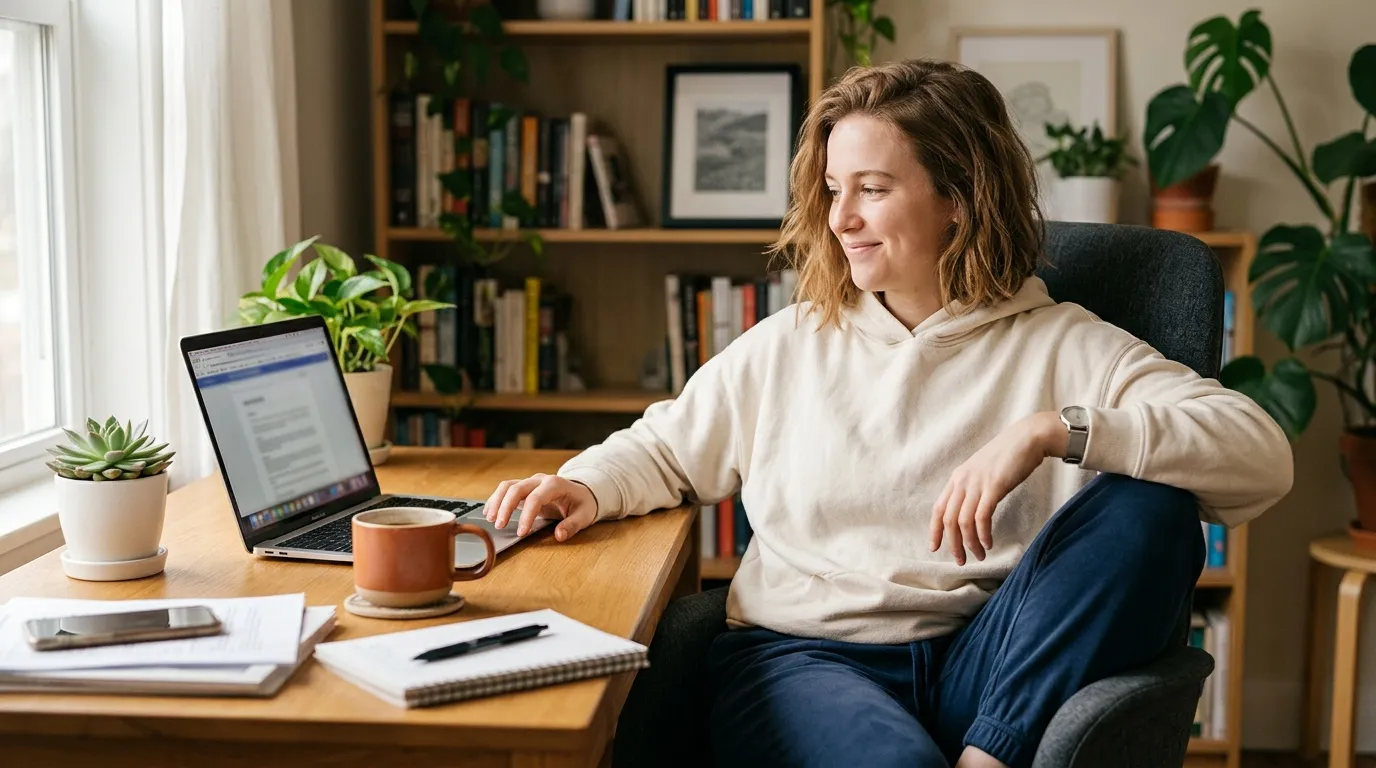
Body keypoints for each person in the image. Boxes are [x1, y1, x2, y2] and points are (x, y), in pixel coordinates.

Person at [482, 59, 1294, 768]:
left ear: (958, 199)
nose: (840, 219)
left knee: (1149, 501)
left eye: (871, 189)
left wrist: (1052, 431)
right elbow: (665, 450)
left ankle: (990, 754)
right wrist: (581, 485)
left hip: (988, 662)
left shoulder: (1065, 344)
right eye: (835, 190)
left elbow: (1261, 457)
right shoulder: (794, 342)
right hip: (805, 662)